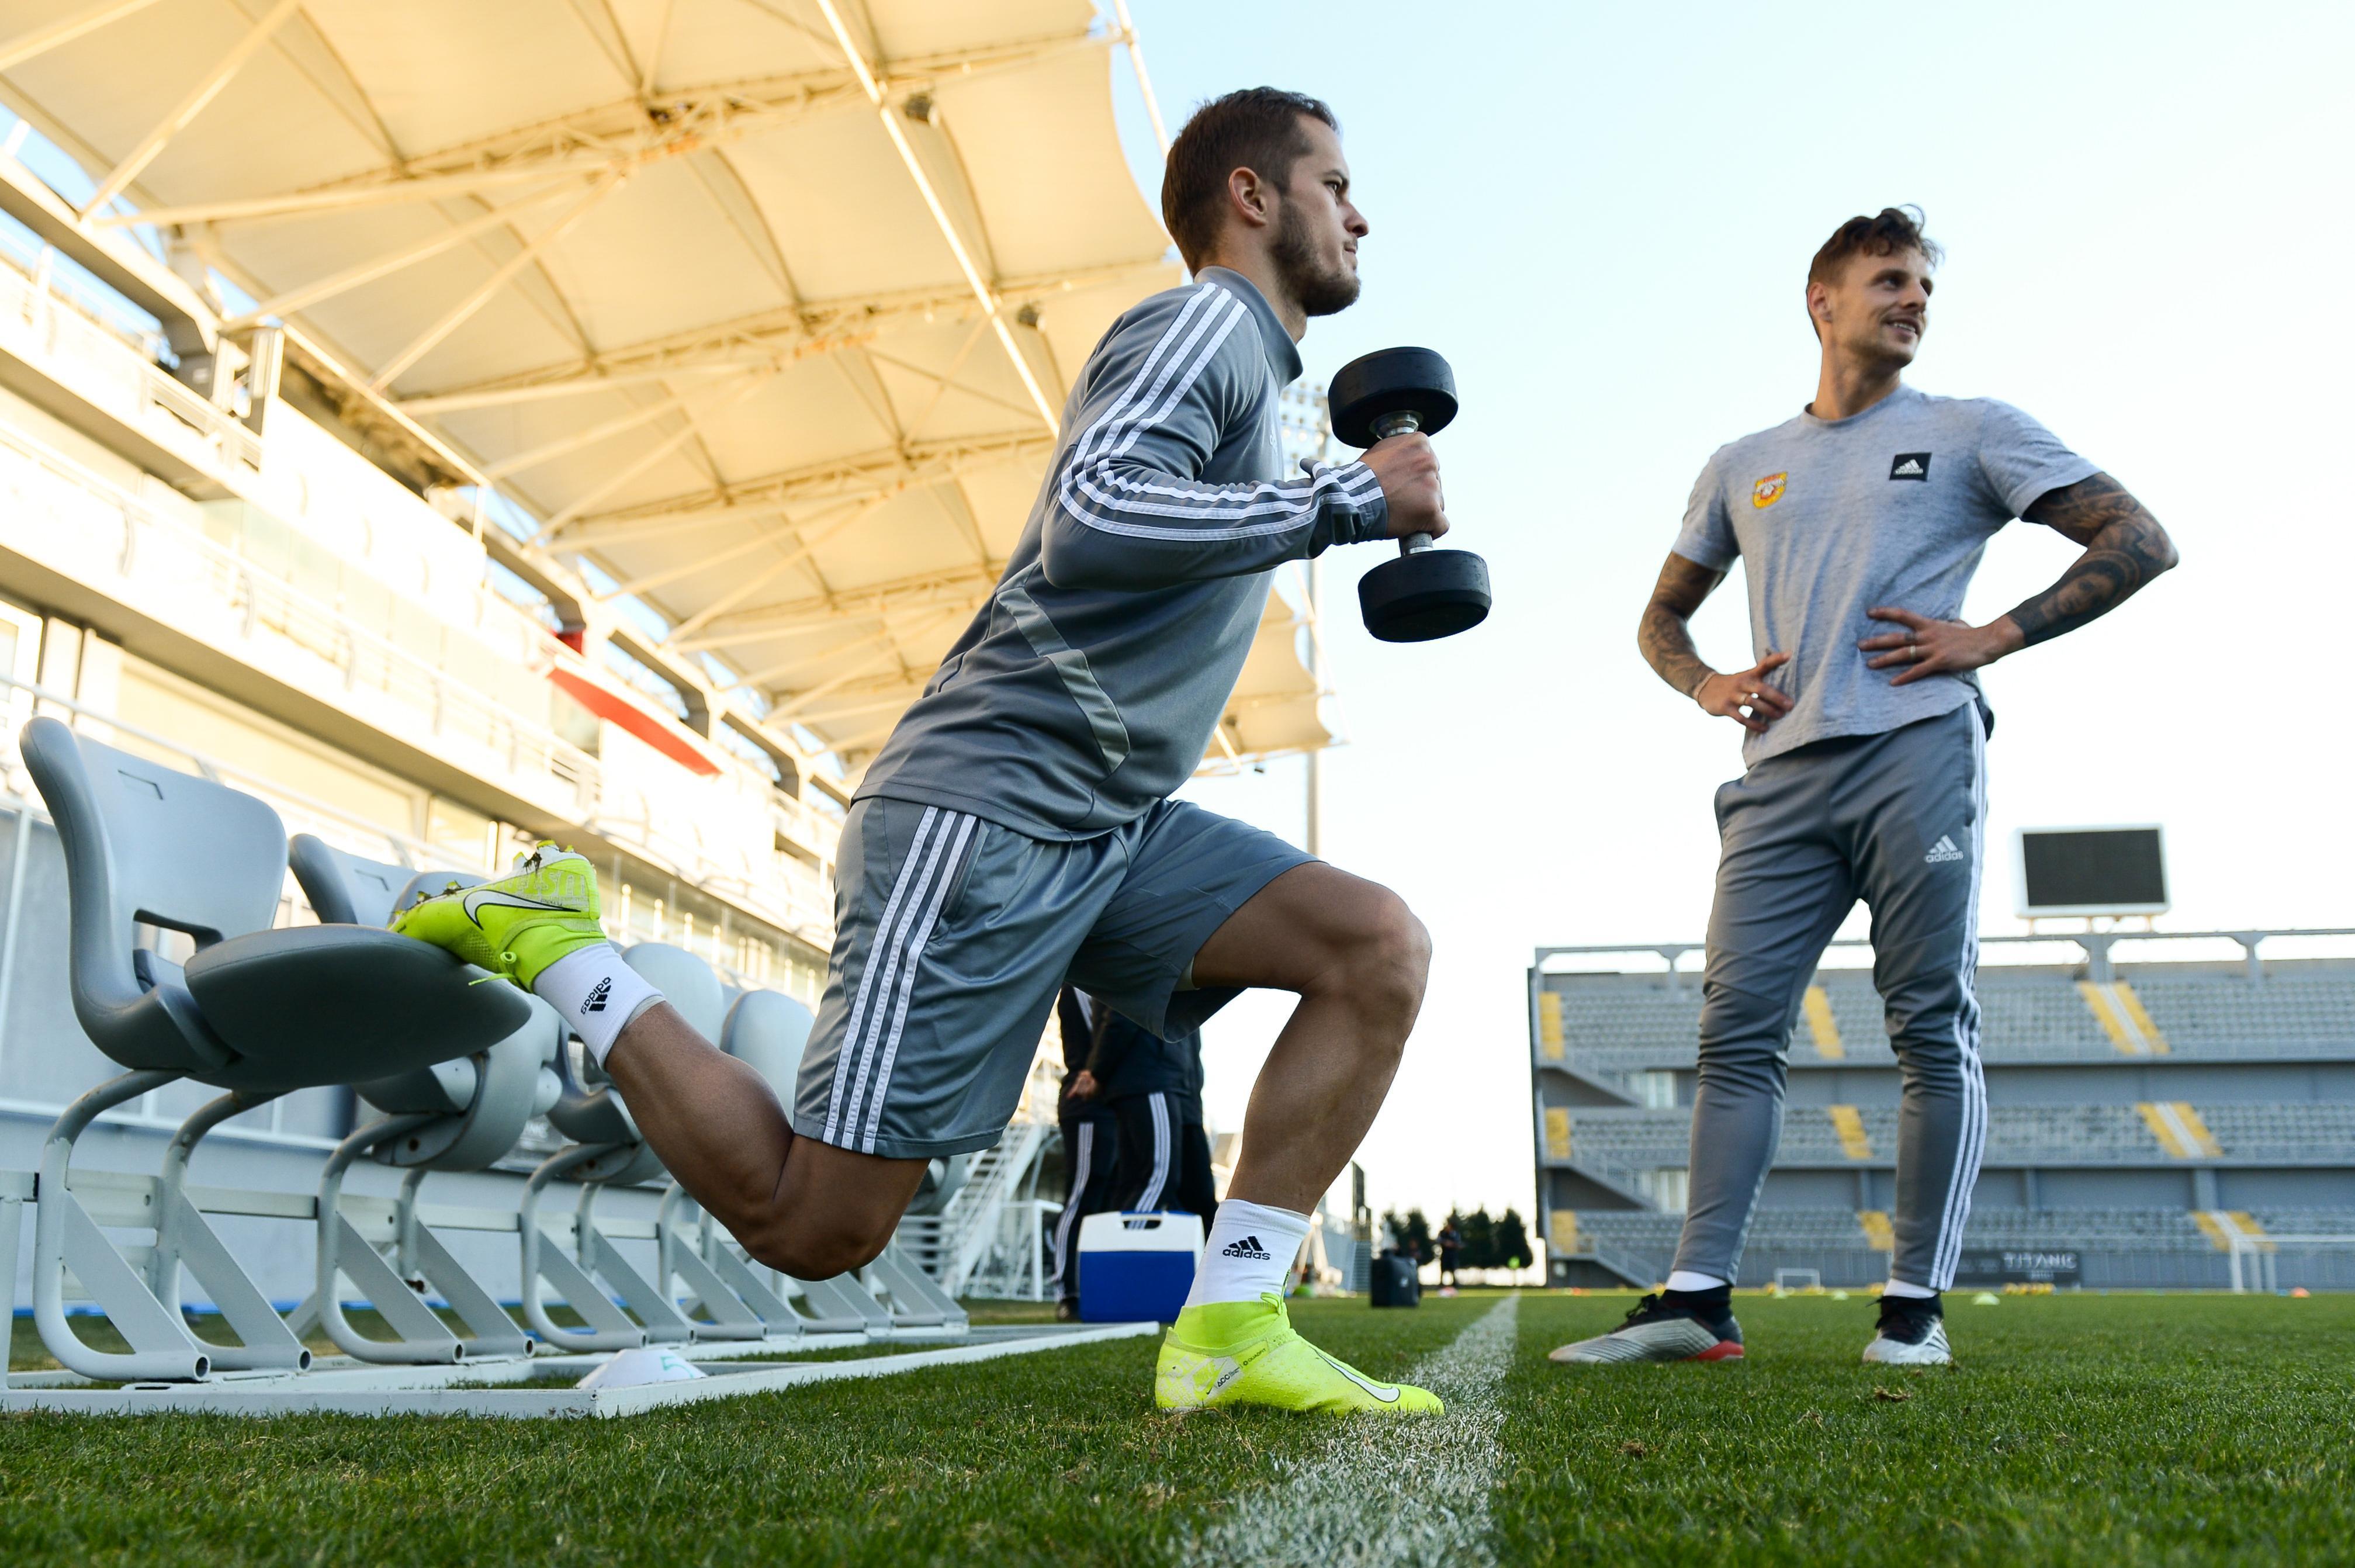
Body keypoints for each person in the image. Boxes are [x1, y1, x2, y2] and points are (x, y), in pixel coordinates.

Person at [393, 87, 1445, 1416]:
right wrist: (1343, 499)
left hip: (1110, 824)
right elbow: (1093, 514)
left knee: (1371, 947)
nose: (1358, 214)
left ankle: (1232, 1315)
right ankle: (562, 948)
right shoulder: (1208, 325)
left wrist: (1323, 499)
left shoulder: (1246, 370)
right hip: (986, 809)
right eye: (1333, 183)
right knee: (812, 1222)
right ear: (1252, 195)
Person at [1555, 207, 2177, 1370]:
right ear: (1821, 301)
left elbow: (2138, 538)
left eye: (1924, 287)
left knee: (1926, 1025)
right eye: (1890, 280)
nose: (1914, 300)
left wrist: (1991, 634)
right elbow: (1659, 617)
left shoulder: (1973, 429)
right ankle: (1696, 1299)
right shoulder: (1741, 463)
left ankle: (1911, 1309)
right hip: (1778, 780)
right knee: (1733, 1030)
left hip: (1915, 751)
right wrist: (1703, 683)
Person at [1085, 1006, 1218, 1227]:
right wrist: (1097, 1072)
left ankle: (1121, 1243)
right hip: (1151, 1078)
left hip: (1177, 1093)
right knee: (1159, 1178)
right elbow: (1122, 1015)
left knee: (1150, 1184)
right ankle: (1125, 1247)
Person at [1049, 985, 1123, 1321]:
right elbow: (1101, 1033)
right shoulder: (1082, 984)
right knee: (1082, 1196)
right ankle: (1067, 1291)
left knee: (1107, 1201)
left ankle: (1098, 1287)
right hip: (1087, 1103)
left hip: (1113, 1103)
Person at [1436, 1220, 1463, 1292]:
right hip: (1445, 1255)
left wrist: (1452, 1244)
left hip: (1452, 1255)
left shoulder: (1456, 1234)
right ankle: (1441, 1285)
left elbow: (1458, 1244)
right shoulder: (1443, 1233)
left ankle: (1454, 1285)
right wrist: (1445, 1242)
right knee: (1443, 1270)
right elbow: (1439, 1240)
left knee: (1453, 1270)